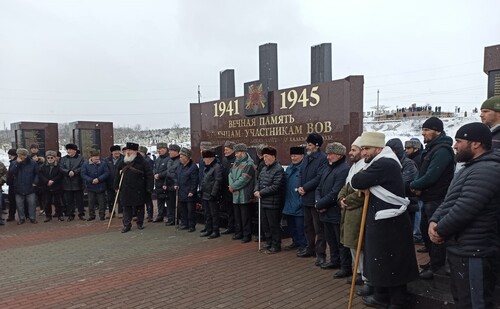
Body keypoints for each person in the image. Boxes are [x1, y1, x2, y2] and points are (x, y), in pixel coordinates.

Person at [429, 123, 500, 309]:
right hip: (461, 249)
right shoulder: (469, 168)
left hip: (475, 251)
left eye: (459, 141)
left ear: (475, 144)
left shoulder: (488, 169)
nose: (455, 146)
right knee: (463, 300)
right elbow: (449, 200)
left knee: (475, 303)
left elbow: (465, 209)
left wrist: (440, 230)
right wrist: (434, 221)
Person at [351, 132, 418, 308]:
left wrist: (366, 183)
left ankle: (396, 301)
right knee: (381, 261)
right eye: (363, 149)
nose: (364, 153)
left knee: (391, 262)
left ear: (378, 148)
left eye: (367, 149)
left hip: (390, 222)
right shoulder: (380, 161)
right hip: (383, 220)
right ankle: (381, 296)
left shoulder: (384, 163)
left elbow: (357, 180)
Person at [409, 117, 455, 280]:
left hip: (437, 199)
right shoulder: (432, 148)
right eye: (423, 129)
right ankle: (433, 262)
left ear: (437, 131)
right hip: (428, 198)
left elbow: (432, 175)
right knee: (425, 231)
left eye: (427, 130)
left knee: (435, 234)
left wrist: (414, 185)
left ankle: (437, 267)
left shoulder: (442, 150)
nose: (424, 133)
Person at [338, 137, 369, 294]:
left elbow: (361, 193)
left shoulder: (366, 167)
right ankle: (357, 271)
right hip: (348, 212)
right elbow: (346, 185)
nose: (350, 153)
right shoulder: (353, 167)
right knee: (352, 245)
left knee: (359, 246)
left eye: (354, 150)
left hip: (357, 212)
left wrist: (347, 200)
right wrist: (341, 198)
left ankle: (365, 276)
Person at [315, 142, 351, 277]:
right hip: (325, 211)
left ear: (339, 155)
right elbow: (319, 187)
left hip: (335, 211)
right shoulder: (327, 168)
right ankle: (334, 260)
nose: (328, 157)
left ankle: (345, 266)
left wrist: (320, 205)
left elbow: (336, 192)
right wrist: (318, 202)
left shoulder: (343, 170)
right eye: (327, 154)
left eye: (330, 154)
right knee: (330, 239)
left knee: (340, 240)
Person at [297, 133, 328, 267]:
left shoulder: (322, 158)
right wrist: (299, 186)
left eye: (309, 144)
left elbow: (319, 177)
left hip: (314, 196)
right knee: (307, 226)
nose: (307, 147)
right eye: (307, 144)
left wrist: (305, 187)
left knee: (318, 228)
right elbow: (301, 173)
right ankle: (310, 249)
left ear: (317, 146)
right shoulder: (306, 158)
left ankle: (321, 254)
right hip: (304, 197)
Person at [114, 142, 154, 233]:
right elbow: (117, 174)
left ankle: (140, 223)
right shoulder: (122, 161)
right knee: (126, 207)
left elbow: (149, 175)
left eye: (130, 150)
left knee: (139, 206)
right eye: (127, 150)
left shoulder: (143, 162)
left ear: (136, 151)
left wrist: (149, 188)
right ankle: (127, 225)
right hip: (125, 188)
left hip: (139, 188)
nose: (128, 152)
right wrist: (116, 185)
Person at [254, 147, 285, 254]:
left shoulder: (278, 169)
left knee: (273, 225)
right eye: (264, 157)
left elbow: (276, 186)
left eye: (267, 156)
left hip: (273, 202)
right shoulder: (264, 169)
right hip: (263, 202)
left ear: (273, 156)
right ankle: (269, 242)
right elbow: (258, 181)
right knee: (265, 224)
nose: (265, 159)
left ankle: (276, 245)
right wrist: (256, 190)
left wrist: (261, 192)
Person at [228, 143, 255, 243]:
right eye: (235, 152)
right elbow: (230, 175)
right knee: (237, 215)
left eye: (238, 152)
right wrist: (232, 186)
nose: (236, 154)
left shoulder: (249, 164)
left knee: (245, 216)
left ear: (244, 152)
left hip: (244, 194)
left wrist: (233, 186)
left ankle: (247, 235)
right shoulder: (235, 163)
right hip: (235, 194)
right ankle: (239, 232)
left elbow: (245, 179)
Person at [282, 146, 307, 252]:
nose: (293, 158)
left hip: (299, 202)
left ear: (302, 156)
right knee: (292, 226)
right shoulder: (289, 168)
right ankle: (295, 242)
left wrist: (301, 201)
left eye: (295, 155)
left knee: (301, 227)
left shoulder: (305, 168)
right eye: (292, 155)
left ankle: (303, 245)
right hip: (289, 202)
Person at [10, 148, 39, 224]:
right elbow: (11, 172)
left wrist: (35, 182)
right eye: (19, 155)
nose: (20, 156)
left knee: (32, 204)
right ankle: (21, 218)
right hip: (18, 187)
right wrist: (17, 163)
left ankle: (32, 218)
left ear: (26, 156)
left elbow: (37, 173)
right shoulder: (14, 163)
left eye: (22, 155)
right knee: (19, 205)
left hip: (30, 186)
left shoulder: (33, 163)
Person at [199, 148, 223, 239]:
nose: (203, 161)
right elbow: (204, 180)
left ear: (209, 158)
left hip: (212, 195)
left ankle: (215, 231)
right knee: (207, 213)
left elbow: (218, 181)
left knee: (214, 214)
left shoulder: (216, 167)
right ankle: (209, 229)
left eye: (204, 159)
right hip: (205, 194)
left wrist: (213, 193)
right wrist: (201, 190)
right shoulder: (207, 167)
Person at [174, 147, 199, 232]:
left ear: (186, 157)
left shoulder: (193, 167)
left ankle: (192, 225)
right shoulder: (179, 166)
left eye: (181, 157)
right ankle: (184, 223)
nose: (180, 159)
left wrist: (192, 191)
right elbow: (176, 176)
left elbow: (195, 181)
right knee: (183, 210)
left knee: (190, 211)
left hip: (189, 192)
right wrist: (176, 184)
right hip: (181, 191)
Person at [81, 150, 109, 221]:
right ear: (91, 157)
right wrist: (91, 180)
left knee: (102, 202)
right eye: (95, 157)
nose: (97, 159)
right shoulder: (85, 164)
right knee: (91, 202)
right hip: (90, 186)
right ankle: (91, 215)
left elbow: (106, 173)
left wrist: (99, 179)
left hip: (101, 186)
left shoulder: (103, 163)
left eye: (98, 157)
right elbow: (83, 174)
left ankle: (102, 215)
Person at [60, 143, 85, 221]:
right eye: (67, 149)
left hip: (77, 182)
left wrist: (74, 172)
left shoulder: (80, 158)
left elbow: (82, 167)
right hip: (67, 182)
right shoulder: (64, 158)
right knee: (69, 200)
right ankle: (71, 214)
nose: (68, 151)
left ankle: (81, 214)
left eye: (70, 149)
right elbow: (60, 167)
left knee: (79, 200)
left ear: (75, 150)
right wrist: (68, 172)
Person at [38, 150, 64, 222]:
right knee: (47, 202)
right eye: (48, 158)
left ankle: (59, 215)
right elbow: (41, 175)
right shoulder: (43, 166)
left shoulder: (59, 166)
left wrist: (53, 180)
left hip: (56, 186)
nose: (50, 159)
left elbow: (60, 175)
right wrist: (47, 181)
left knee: (58, 202)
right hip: (46, 187)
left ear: (55, 158)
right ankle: (48, 216)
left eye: (51, 158)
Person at [163, 144, 181, 225]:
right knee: (169, 203)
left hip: (175, 185)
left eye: (171, 150)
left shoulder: (179, 161)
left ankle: (176, 219)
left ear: (176, 152)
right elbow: (167, 173)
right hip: (169, 184)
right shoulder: (170, 160)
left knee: (175, 203)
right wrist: (165, 183)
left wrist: (176, 182)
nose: (169, 152)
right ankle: (171, 218)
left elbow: (177, 174)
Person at [221, 140, 236, 235]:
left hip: (234, 190)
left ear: (233, 150)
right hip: (225, 189)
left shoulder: (235, 160)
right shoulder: (225, 160)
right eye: (224, 150)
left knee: (235, 211)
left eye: (227, 149)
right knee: (229, 210)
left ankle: (236, 228)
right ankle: (230, 227)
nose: (225, 151)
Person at [152, 142, 170, 223]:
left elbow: (169, 170)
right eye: (158, 149)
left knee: (168, 201)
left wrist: (160, 175)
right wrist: (155, 173)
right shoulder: (158, 159)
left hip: (166, 182)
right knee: (160, 200)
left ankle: (170, 216)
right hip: (158, 183)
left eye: (161, 149)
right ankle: (160, 215)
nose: (159, 151)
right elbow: (154, 168)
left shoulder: (169, 159)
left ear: (165, 149)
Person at [105, 145, 123, 218]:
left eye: (118, 151)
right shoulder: (107, 160)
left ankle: (121, 212)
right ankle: (111, 212)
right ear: (112, 152)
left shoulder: (123, 159)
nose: (117, 152)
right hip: (110, 181)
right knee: (110, 198)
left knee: (120, 198)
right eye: (115, 151)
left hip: (120, 181)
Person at [139, 146, 154, 222]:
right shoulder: (140, 160)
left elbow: (150, 173)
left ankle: (150, 214)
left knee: (148, 200)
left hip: (146, 183)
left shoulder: (148, 161)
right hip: (141, 183)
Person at [6, 149, 18, 222]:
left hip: (13, 184)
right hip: (13, 184)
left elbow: (11, 173)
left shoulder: (14, 163)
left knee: (12, 201)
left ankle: (11, 215)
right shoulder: (14, 162)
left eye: (9, 154)